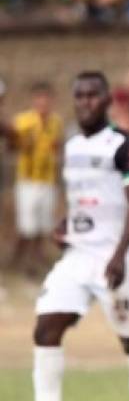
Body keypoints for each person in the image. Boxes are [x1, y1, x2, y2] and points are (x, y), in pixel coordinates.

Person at [4, 72, 129, 401]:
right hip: (77, 256)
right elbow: (83, 201)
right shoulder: (70, 146)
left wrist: (121, 253)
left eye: (93, 95)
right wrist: (64, 227)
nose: (86, 101)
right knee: (45, 326)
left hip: (115, 258)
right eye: (80, 96)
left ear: (106, 100)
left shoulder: (124, 145)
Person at [9, 82, 63, 276]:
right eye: (39, 98)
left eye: (46, 98)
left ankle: (35, 261)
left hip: (47, 179)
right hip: (28, 179)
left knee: (43, 225)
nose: (43, 102)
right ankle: (20, 262)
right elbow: (12, 145)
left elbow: (56, 147)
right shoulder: (23, 122)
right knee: (27, 227)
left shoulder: (56, 122)